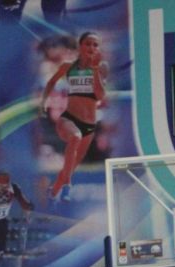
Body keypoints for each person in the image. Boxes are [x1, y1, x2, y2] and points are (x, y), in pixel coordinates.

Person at [41, 31, 108, 200]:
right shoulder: (67, 67)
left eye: (95, 45)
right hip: (69, 119)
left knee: (72, 164)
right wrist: (44, 101)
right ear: (80, 47)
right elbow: (51, 82)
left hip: (89, 124)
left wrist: (94, 70)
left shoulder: (100, 68)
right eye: (87, 44)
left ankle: (54, 191)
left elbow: (100, 96)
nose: (91, 48)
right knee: (75, 137)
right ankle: (67, 186)